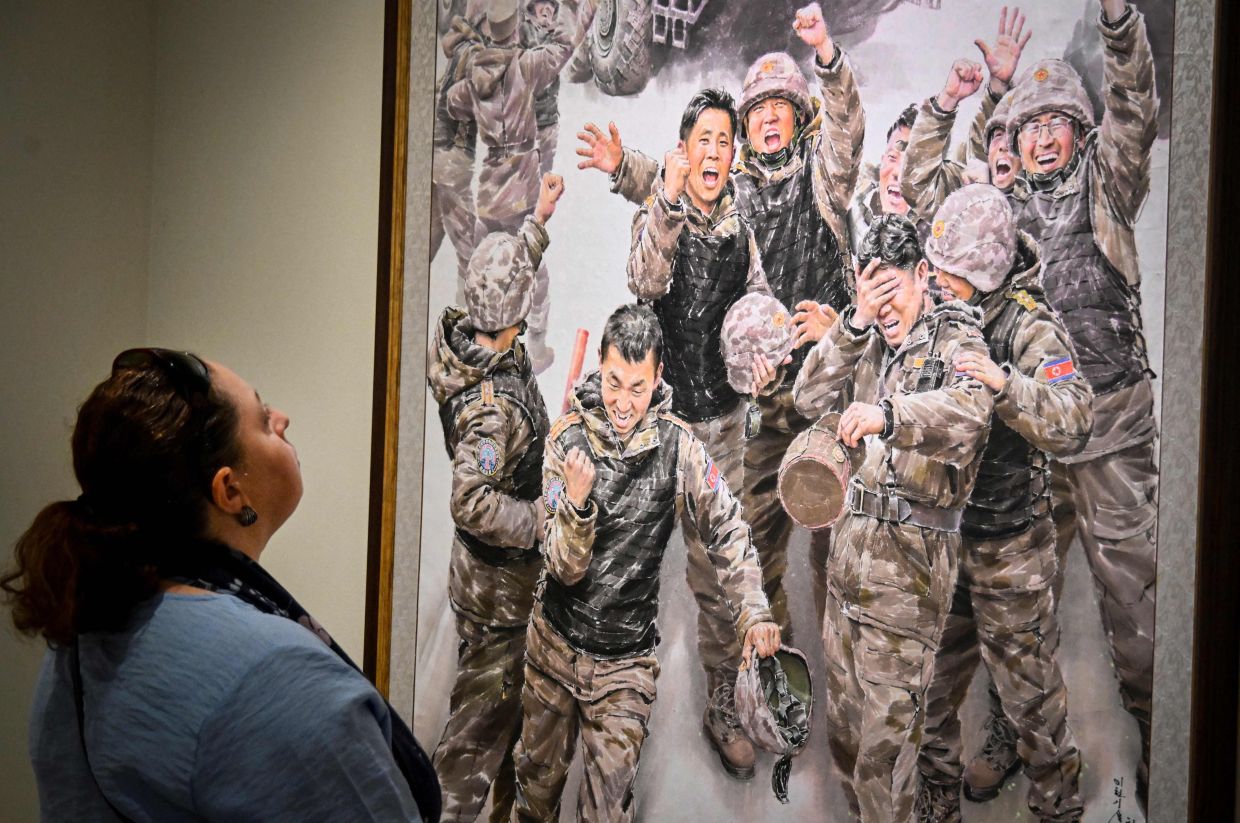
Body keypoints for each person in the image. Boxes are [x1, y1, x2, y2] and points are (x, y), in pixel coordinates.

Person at [3, 349, 437, 821]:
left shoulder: (80, 633)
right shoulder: (276, 674)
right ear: (230, 491)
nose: (283, 418)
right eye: (264, 417)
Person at [577, 0, 863, 645]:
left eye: (778, 110)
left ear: (798, 119)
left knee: (833, 540)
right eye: (754, 111)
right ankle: (765, 670)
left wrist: (827, 57)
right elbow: (678, 177)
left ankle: (831, 668)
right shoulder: (730, 181)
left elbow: (844, 133)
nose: (766, 121)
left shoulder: (821, 174)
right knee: (747, 545)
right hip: (751, 391)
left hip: (818, 385)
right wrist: (626, 170)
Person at [510, 304, 781, 823]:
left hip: (625, 667)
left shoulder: (682, 448)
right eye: (614, 383)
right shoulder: (564, 440)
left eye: (637, 387)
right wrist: (579, 504)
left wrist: (754, 612)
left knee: (608, 813)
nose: (622, 402)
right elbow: (564, 568)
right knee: (535, 799)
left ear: (658, 379)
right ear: (601, 367)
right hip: (554, 652)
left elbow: (728, 526)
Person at [997, 0, 1159, 806]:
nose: (1045, 136)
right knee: (1016, 593)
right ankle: (1013, 726)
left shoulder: (1108, 180)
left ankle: (1166, 724)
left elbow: (1134, 107)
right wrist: (993, 98)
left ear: (1079, 132)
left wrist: (1121, 26)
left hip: (1114, 429)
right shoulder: (1006, 206)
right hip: (1035, 438)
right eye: (1031, 127)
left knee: (1134, 598)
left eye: (1059, 122)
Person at [792, 215, 994, 822]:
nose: (886, 306)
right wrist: (853, 323)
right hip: (848, 578)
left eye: (895, 288)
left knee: (884, 766)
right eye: (871, 290)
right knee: (849, 747)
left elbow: (969, 413)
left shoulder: (957, 343)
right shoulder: (868, 340)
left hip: (906, 589)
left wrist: (890, 414)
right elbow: (806, 397)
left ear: (924, 276)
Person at [914, 185, 1093, 823]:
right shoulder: (937, 308)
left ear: (984, 273)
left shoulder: (1028, 324)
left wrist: (1004, 384)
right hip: (943, 540)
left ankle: (1057, 809)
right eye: (934, 270)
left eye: (949, 274)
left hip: (1009, 548)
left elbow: (1074, 420)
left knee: (1034, 707)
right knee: (927, 695)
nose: (936, 282)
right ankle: (936, 806)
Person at [626, 87, 781, 779]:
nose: (715, 152)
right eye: (703, 141)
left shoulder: (740, 230)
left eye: (725, 141)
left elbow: (759, 304)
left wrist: (766, 357)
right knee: (622, 553)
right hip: (658, 424)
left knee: (720, 567)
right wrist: (658, 196)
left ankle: (723, 698)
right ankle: (604, 691)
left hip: (719, 427)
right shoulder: (662, 214)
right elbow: (644, 276)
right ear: (683, 152)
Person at [428, 173, 564, 823]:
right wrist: (538, 519)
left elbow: (504, 274)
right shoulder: (493, 412)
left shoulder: (458, 336)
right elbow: (471, 501)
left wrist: (536, 222)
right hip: (499, 592)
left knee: (504, 715)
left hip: (481, 582)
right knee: (476, 733)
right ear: (514, 322)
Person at [446, 0, 597, 373]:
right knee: (532, 267)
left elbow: (452, 104)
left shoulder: (474, 76)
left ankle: (467, 342)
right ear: (515, 29)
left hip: (488, 188)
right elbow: (565, 46)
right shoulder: (525, 66)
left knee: (478, 264)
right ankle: (537, 343)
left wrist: (471, 69)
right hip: (521, 185)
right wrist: (588, 9)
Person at [899, 6, 1032, 217]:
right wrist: (948, 98)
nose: (1004, 147)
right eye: (997, 136)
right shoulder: (967, 185)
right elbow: (917, 187)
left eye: (1014, 139)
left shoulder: (1039, 205)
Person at [845, 103, 921, 257]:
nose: (899, 174)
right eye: (893, 157)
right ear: (882, 161)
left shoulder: (935, 235)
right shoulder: (850, 219)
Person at [521, 0, 564, 178]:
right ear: (532, 7)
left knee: (546, 168)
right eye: (542, 3)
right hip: (523, 118)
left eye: (551, 5)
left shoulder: (556, 36)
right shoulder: (522, 30)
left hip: (549, 116)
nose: (547, 9)